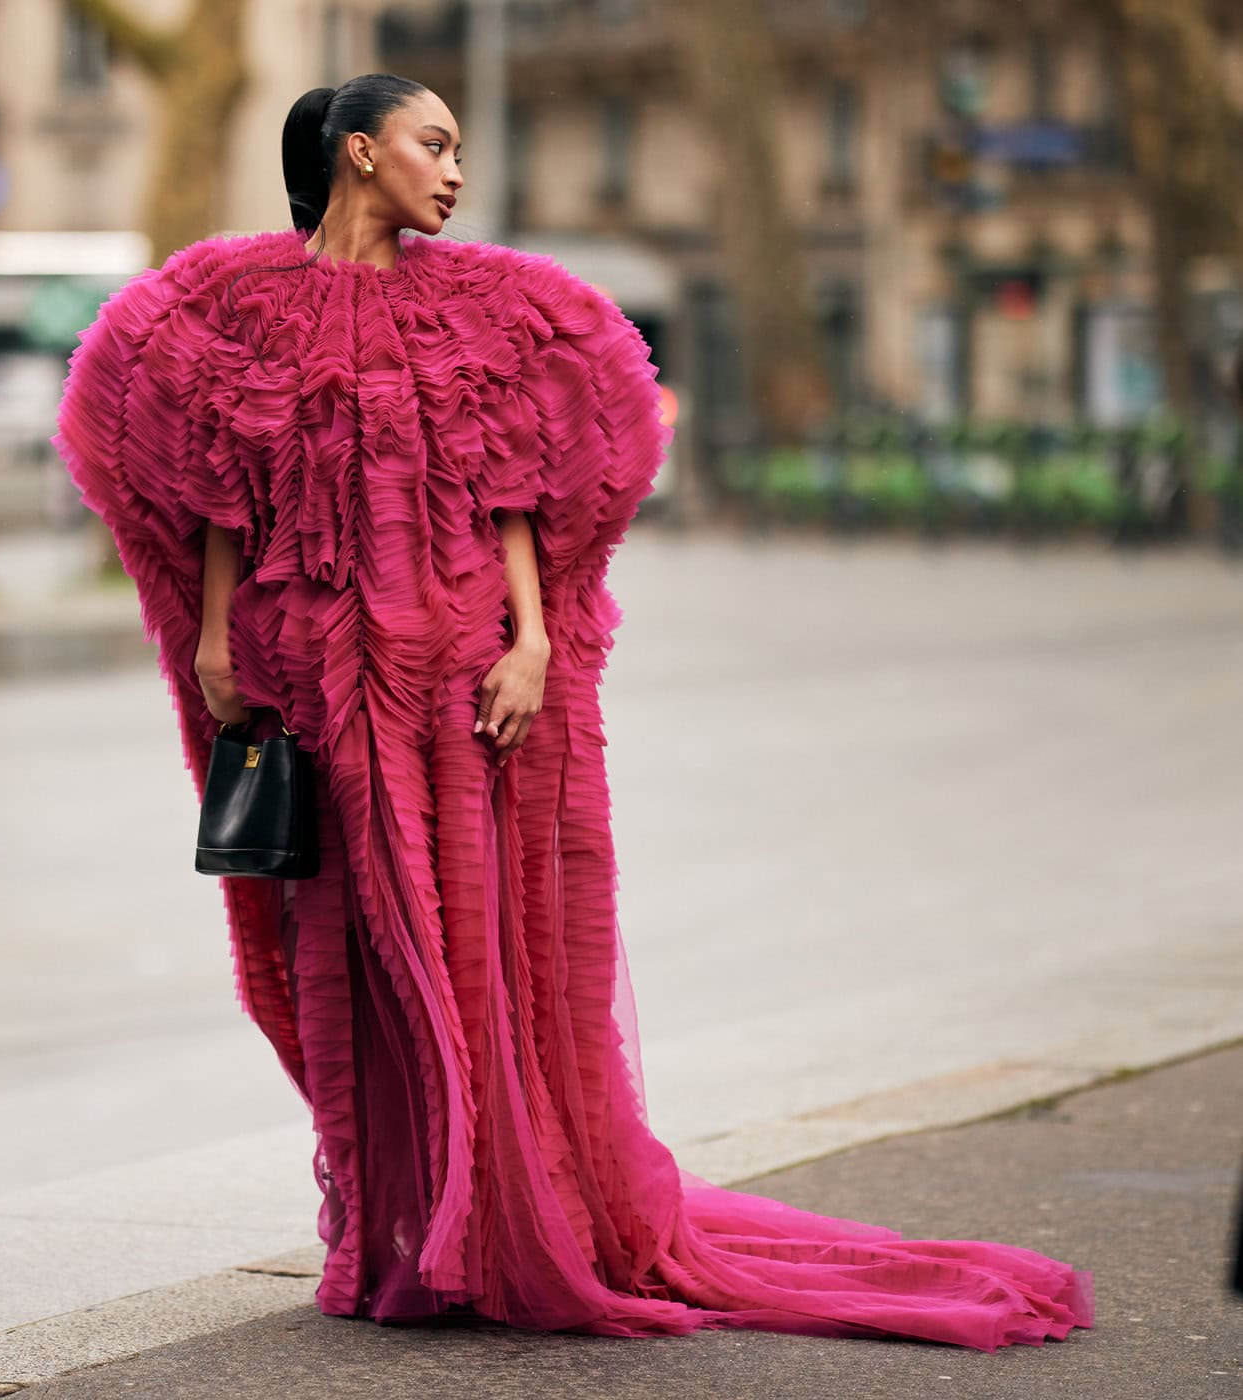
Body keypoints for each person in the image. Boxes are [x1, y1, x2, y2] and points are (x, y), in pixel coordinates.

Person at [54, 74, 1094, 1350]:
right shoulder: (235, 305)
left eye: (457, 148)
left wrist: (536, 642)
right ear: (359, 152)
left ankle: (493, 1222)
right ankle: (399, 1230)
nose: (452, 170)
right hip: (318, 675)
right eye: (433, 145)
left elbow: (520, 496)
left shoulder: (487, 302)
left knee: (480, 953)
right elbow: (217, 485)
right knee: (357, 957)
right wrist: (215, 638)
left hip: (463, 668)